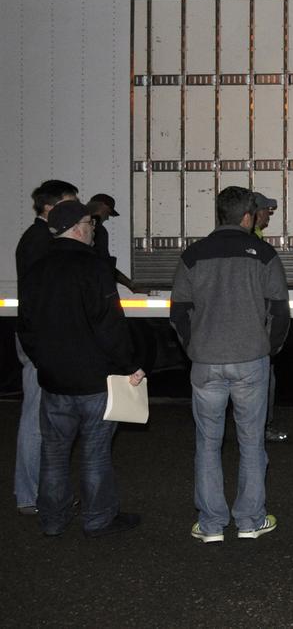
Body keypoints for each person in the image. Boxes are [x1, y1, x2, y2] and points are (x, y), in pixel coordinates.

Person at [170, 186, 290, 543]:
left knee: (207, 443)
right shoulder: (264, 254)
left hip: (206, 361)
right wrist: (267, 349)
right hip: (251, 360)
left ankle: (210, 525)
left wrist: (194, 347)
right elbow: (279, 311)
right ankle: (250, 520)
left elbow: (179, 313)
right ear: (247, 217)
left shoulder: (193, 255)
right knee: (251, 442)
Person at [18, 200, 144, 537]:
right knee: (95, 452)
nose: (94, 229)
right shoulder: (93, 268)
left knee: (54, 452)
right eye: (90, 223)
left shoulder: (36, 269)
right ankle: (97, 518)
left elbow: (26, 327)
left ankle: (52, 519)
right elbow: (110, 325)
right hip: (94, 380)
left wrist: (44, 361)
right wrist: (129, 365)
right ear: (77, 228)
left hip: (54, 379)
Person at [13, 179, 78, 516]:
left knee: (43, 417)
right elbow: (42, 297)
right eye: (70, 204)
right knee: (37, 419)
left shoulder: (38, 237)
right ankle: (32, 494)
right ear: (50, 207)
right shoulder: (41, 241)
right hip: (40, 338)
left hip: (38, 336)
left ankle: (42, 492)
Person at [251, 192, 288, 444]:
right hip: (256, 329)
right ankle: (262, 428)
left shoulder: (254, 239)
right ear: (254, 213)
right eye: (266, 210)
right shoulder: (255, 245)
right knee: (264, 381)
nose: (269, 215)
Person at [86, 193, 136, 292]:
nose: (108, 217)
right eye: (109, 212)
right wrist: (130, 284)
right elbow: (104, 264)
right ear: (103, 206)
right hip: (93, 286)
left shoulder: (76, 226)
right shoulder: (98, 230)